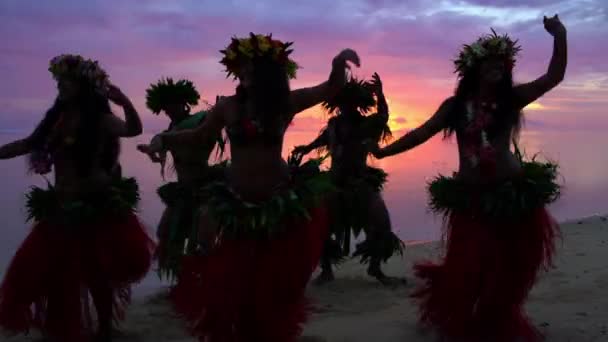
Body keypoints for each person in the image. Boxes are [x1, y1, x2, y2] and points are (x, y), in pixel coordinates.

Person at [145, 33, 360, 341]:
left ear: (267, 74)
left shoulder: (285, 104)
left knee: (273, 287)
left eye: (250, 71)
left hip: (278, 204)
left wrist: (339, 63)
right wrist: (163, 139)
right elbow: (198, 136)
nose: (244, 76)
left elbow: (331, 88)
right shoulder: (228, 107)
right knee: (235, 284)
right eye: (241, 71)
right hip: (236, 202)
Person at [371, 16, 567, 341]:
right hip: (473, 201)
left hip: (511, 199)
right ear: (474, 68)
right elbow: (422, 133)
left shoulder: (511, 100)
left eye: (501, 63)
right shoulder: (454, 107)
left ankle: (497, 321)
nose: (496, 67)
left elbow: (554, 76)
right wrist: (384, 152)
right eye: (489, 62)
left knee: (508, 273)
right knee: (468, 271)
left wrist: (559, 35)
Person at [0, 54, 155, 342]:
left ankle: (105, 329)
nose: (60, 86)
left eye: (66, 81)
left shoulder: (101, 119)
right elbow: (28, 144)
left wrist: (124, 102)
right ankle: (62, 326)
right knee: (49, 272)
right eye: (59, 82)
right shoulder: (56, 121)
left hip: (95, 205)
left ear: (82, 85)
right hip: (61, 207)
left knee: (97, 273)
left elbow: (133, 130)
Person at [293, 73, 404, 286]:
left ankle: (375, 267)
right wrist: (306, 148)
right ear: (338, 103)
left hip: (360, 180)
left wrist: (380, 94)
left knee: (381, 222)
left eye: (351, 103)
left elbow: (382, 117)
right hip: (334, 181)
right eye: (343, 103)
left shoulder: (366, 124)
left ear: (358, 104)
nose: (347, 107)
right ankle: (326, 270)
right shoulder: (334, 125)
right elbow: (323, 139)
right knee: (321, 223)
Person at [137, 78, 226, 281]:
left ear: (184, 103)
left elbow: (199, 133)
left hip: (205, 186)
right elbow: (160, 140)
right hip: (183, 190)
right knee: (165, 232)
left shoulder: (200, 121)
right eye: (166, 106)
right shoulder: (170, 131)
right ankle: (181, 279)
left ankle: (208, 278)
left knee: (201, 239)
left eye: (173, 104)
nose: (169, 109)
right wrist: (152, 150)